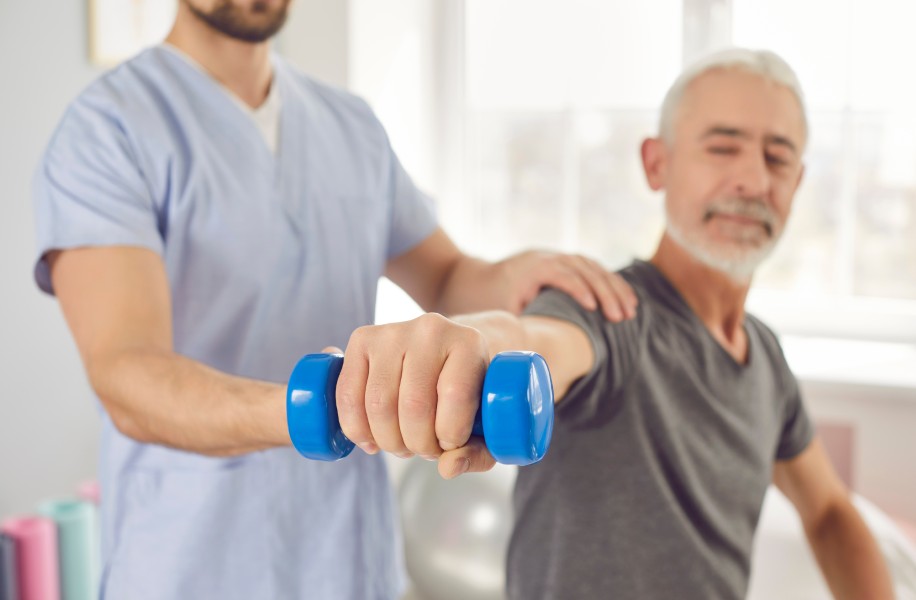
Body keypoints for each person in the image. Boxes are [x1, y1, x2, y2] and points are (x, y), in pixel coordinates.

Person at [31, 0, 639, 597]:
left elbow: (449, 275)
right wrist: (321, 408)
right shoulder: (107, 129)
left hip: (346, 555)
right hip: (193, 559)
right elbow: (126, 373)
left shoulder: (350, 124)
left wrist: (519, 273)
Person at [329, 48, 896, 599]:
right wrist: (475, 348)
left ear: (797, 183)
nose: (753, 179)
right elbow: (540, 340)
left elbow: (828, 510)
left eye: (778, 157)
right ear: (657, 164)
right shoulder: (612, 311)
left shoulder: (765, 357)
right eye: (723, 148)